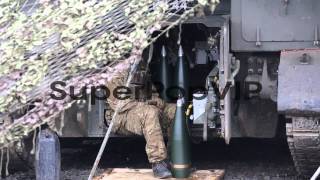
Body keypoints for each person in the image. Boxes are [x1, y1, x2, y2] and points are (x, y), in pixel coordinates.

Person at [105, 62, 176, 179]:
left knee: (175, 111)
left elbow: (151, 92)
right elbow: (119, 104)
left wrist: (157, 100)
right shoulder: (115, 67)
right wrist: (147, 103)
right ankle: (158, 163)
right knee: (149, 112)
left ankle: (176, 159)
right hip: (121, 115)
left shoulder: (141, 65)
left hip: (142, 109)